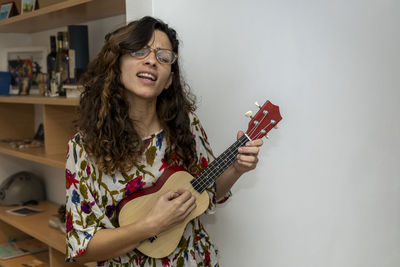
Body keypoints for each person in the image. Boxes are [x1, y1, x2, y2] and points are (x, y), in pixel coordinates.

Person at [65, 16, 263, 266]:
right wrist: (152, 225)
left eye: (163, 57)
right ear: (115, 66)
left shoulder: (186, 126)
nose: (151, 60)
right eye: (139, 51)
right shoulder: (83, 148)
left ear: (169, 78)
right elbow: (83, 249)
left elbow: (207, 195)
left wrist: (237, 169)